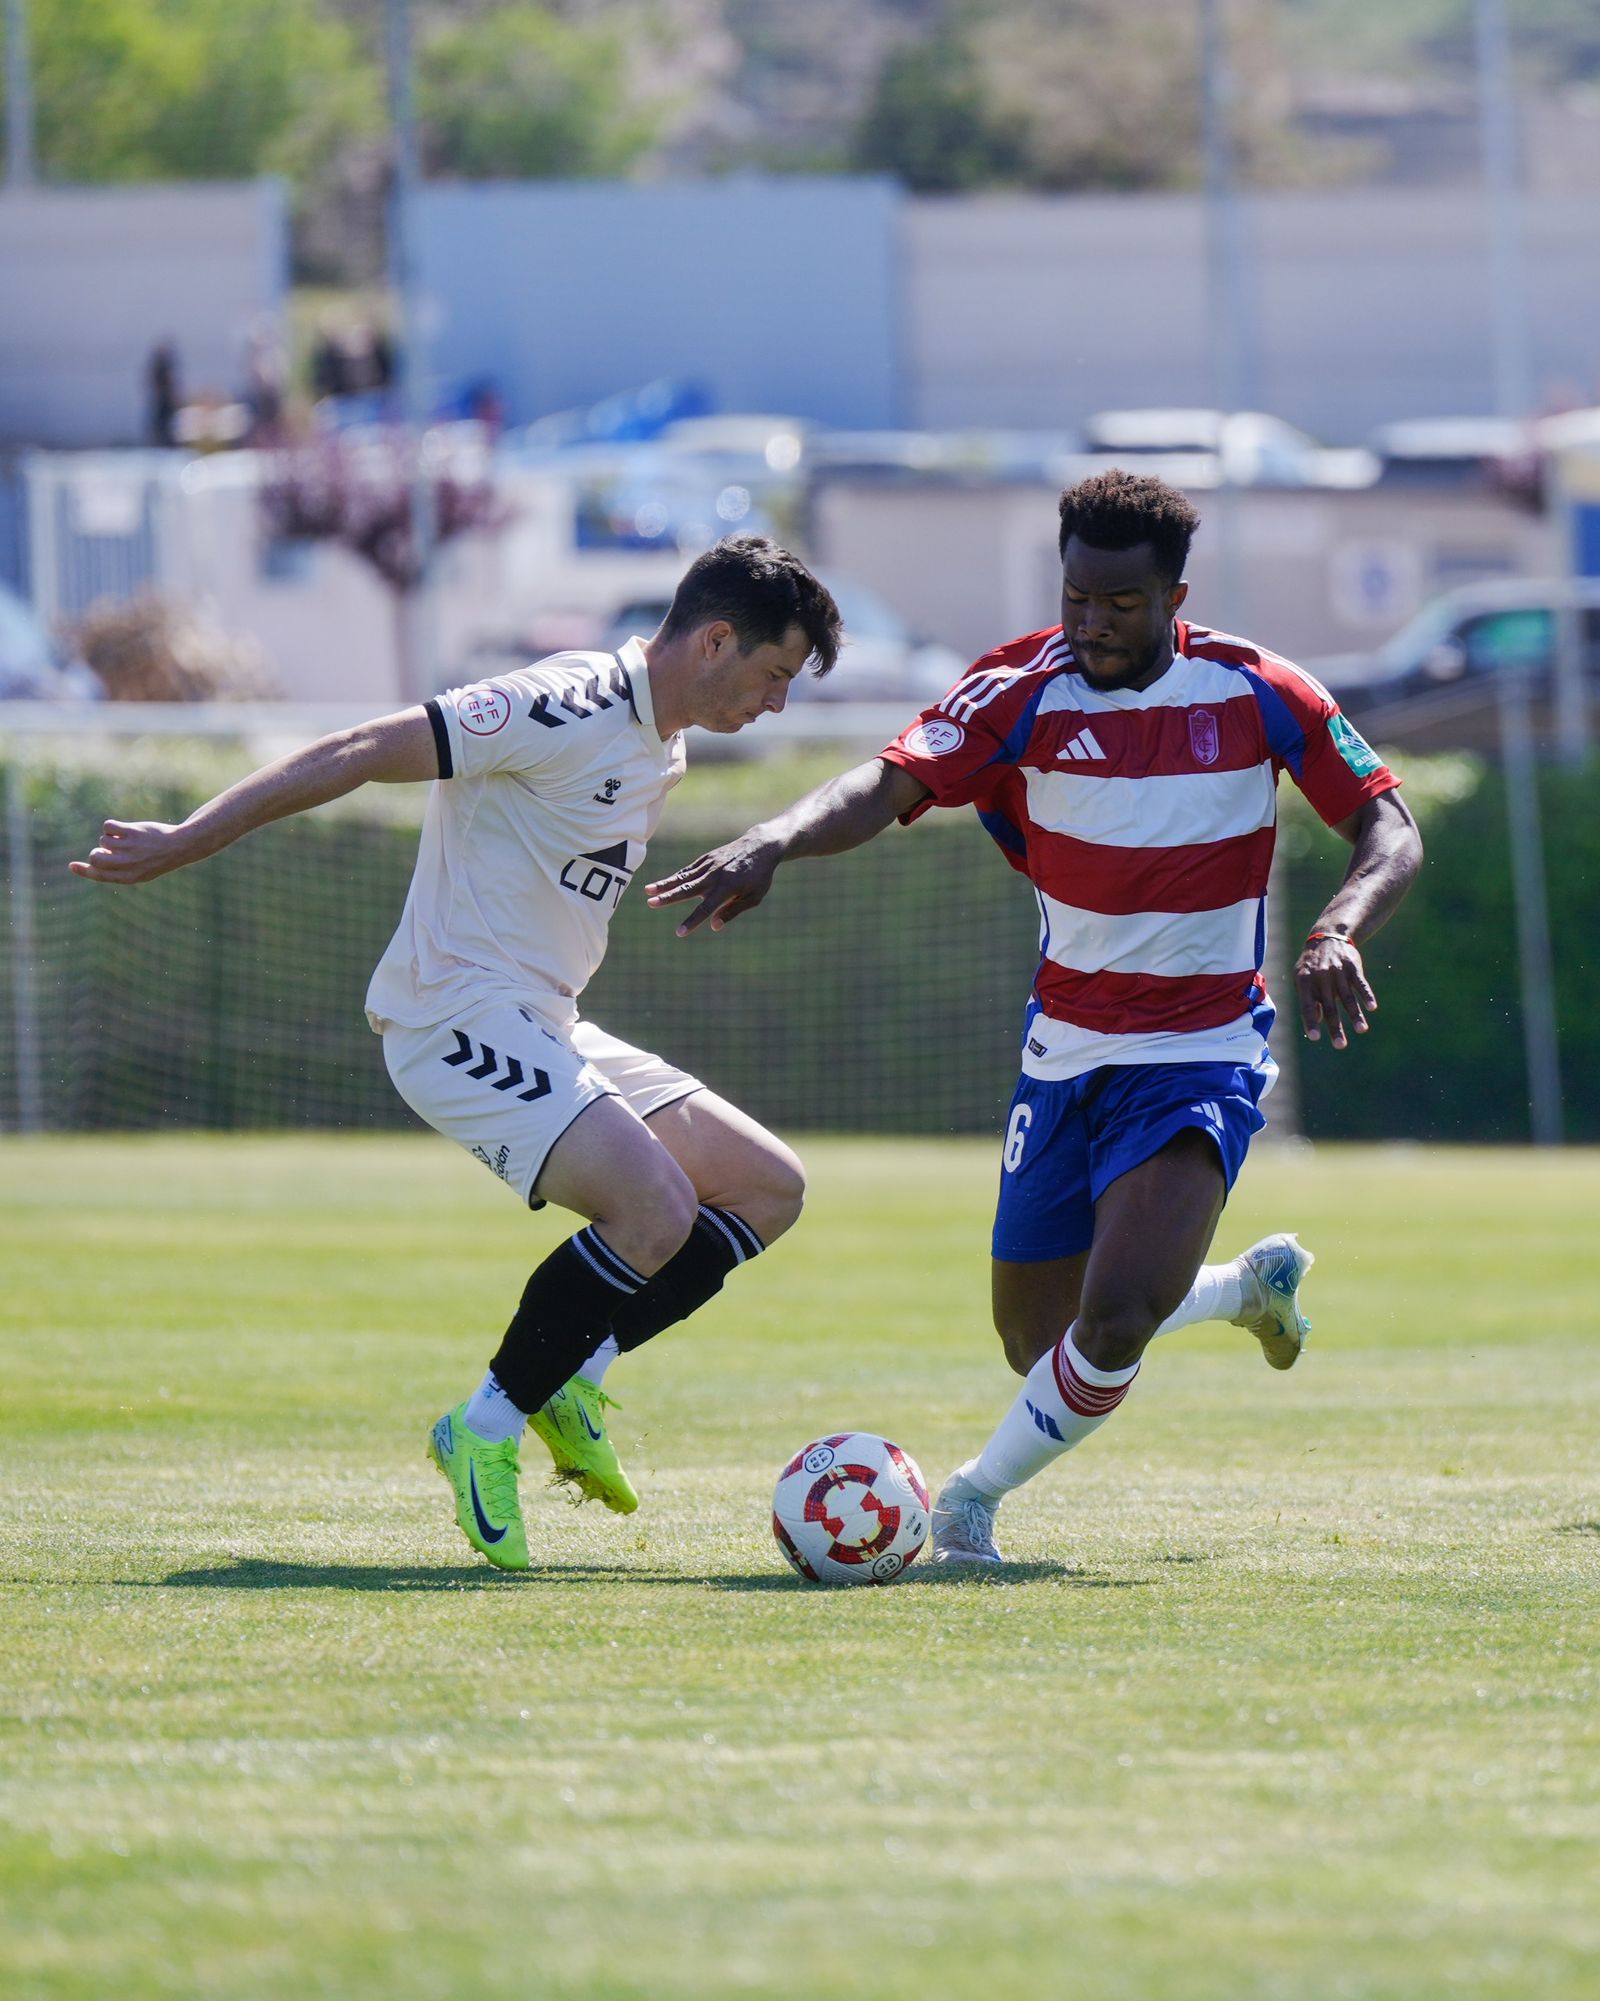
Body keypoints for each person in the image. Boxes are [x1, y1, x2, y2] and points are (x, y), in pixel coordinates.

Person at [647, 470, 1423, 1564]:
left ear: (1174, 597)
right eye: (1075, 600)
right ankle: (1245, 1288)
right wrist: (775, 838)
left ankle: (965, 1505)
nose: (1092, 626)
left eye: (1120, 605)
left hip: (1199, 1050)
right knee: (1039, 1343)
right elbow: (884, 784)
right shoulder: (1016, 690)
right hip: (1064, 1053)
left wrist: (1336, 928)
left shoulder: (1259, 692)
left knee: (1109, 1328)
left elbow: (1389, 830)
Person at [71, 535, 843, 1571]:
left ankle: (573, 1373)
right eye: (773, 674)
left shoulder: (664, 742)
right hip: (452, 1017)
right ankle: (481, 1428)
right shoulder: (565, 703)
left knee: (767, 1188)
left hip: (545, 1018)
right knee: (654, 1208)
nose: (778, 703)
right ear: (714, 640)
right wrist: (185, 838)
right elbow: (356, 748)